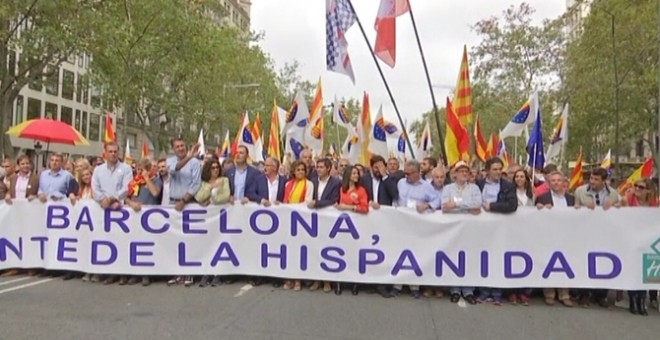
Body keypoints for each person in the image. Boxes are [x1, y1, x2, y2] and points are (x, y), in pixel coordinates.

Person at [91, 142, 133, 284]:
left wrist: (112, 198)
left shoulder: (126, 168)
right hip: (102, 209)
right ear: (105, 153)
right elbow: (95, 188)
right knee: (105, 241)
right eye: (110, 151)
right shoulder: (98, 170)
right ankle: (106, 271)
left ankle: (121, 273)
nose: (113, 154)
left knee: (120, 242)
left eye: (115, 151)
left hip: (119, 209)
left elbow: (127, 188)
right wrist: (102, 199)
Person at [442, 160, 482, 305]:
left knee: (469, 257)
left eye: (466, 172)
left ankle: (468, 290)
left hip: (471, 229)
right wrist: (466, 206)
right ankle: (455, 290)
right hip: (453, 227)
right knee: (453, 257)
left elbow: (477, 204)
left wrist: (457, 204)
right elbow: (445, 206)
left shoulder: (475, 188)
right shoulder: (448, 189)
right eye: (461, 171)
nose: (464, 174)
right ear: (455, 174)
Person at [533, 170, 576, 307]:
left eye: (559, 180)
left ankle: (564, 294)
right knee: (549, 264)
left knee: (565, 265)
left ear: (564, 182)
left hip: (566, 236)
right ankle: (549, 293)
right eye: (553, 181)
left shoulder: (571, 199)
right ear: (549, 183)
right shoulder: (543, 198)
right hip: (548, 236)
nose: (556, 183)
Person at [166, 138, 202, 287]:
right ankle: (176, 272)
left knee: (189, 238)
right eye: (177, 146)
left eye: (182, 146)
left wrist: (184, 200)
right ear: (173, 149)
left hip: (188, 203)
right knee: (175, 238)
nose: (180, 148)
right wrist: (189, 156)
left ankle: (189, 272)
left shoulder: (195, 163)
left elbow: (196, 184)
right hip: (173, 203)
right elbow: (174, 169)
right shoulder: (170, 161)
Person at [124, 158, 163, 286]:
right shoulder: (135, 182)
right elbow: (126, 198)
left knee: (147, 245)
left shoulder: (156, 180)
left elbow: (155, 193)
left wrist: (146, 178)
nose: (139, 172)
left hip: (150, 218)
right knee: (135, 244)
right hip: (135, 217)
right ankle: (134, 273)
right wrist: (132, 203)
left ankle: (146, 274)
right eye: (137, 169)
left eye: (142, 169)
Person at [622, 177, 658, 315]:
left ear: (648, 190)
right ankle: (633, 299)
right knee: (633, 269)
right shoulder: (629, 199)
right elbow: (617, 208)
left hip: (647, 240)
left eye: (641, 187)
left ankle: (642, 300)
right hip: (630, 238)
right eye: (636, 186)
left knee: (644, 270)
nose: (637, 188)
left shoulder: (655, 202)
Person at [194, 157, 230, 287]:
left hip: (221, 218)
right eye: (212, 168)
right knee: (207, 245)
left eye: (217, 167)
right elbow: (199, 197)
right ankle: (206, 272)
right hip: (206, 219)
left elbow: (225, 196)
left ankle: (217, 274)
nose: (215, 170)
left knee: (219, 244)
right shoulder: (204, 183)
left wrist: (212, 199)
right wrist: (210, 187)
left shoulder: (224, 180)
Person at [334, 165, 369, 295]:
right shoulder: (341, 189)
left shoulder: (361, 191)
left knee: (354, 253)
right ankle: (339, 282)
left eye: (357, 173)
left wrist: (349, 207)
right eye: (354, 173)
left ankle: (355, 283)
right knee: (340, 253)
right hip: (341, 227)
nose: (357, 176)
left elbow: (364, 208)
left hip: (356, 226)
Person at [308, 158, 341, 292]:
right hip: (313, 221)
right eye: (317, 167)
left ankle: (327, 281)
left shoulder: (336, 183)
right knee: (315, 249)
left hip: (328, 221)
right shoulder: (312, 182)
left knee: (326, 249)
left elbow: (333, 200)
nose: (318, 169)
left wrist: (317, 203)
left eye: (321, 167)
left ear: (328, 168)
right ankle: (316, 280)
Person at [282, 160, 314, 291]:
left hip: (302, 221)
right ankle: (288, 277)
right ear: (293, 171)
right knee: (289, 250)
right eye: (298, 169)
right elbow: (285, 200)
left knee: (299, 251)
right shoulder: (288, 184)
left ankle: (298, 279)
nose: (300, 172)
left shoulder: (309, 184)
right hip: (289, 221)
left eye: (302, 169)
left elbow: (307, 201)